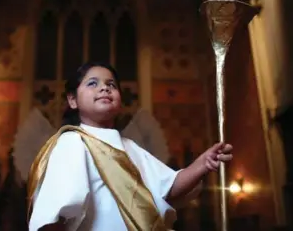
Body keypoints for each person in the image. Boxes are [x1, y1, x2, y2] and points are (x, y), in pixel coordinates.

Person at [27, 62, 233, 231]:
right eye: (92, 83)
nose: (104, 88)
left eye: (111, 84)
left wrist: (203, 163)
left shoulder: (130, 148)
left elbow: (168, 188)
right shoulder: (71, 142)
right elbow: (52, 215)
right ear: (72, 100)